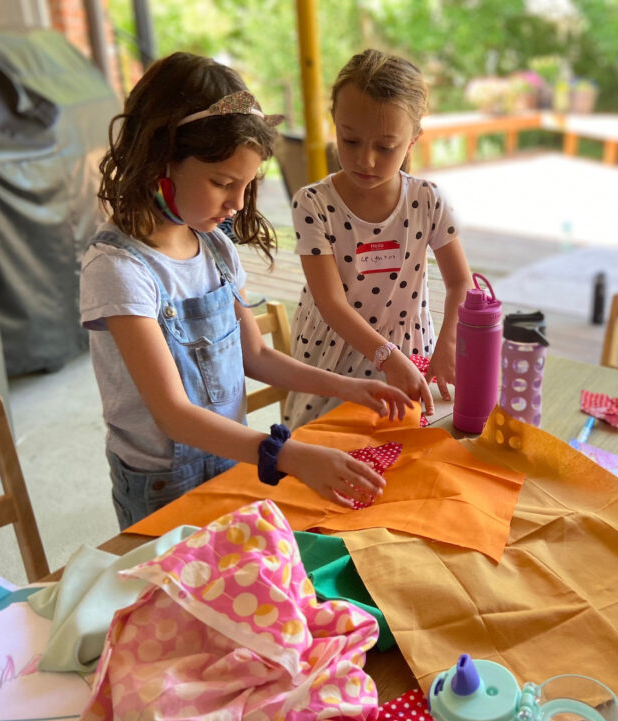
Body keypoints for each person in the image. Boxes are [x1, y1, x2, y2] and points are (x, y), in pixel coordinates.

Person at [80, 52, 411, 530]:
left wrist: (347, 386)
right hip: (163, 485)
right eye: (222, 183)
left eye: (247, 185)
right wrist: (287, 453)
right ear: (160, 158)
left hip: (232, 455)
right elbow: (174, 415)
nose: (236, 203)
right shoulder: (119, 269)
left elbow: (253, 355)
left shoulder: (214, 246)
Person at [282, 49, 473, 429]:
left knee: (403, 442)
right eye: (350, 140)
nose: (366, 160)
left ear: (413, 140)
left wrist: (449, 341)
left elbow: (460, 282)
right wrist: (386, 355)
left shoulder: (428, 200)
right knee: (324, 442)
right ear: (334, 124)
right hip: (332, 353)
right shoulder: (313, 203)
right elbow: (331, 303)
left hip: (408, 347)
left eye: (385, 147)